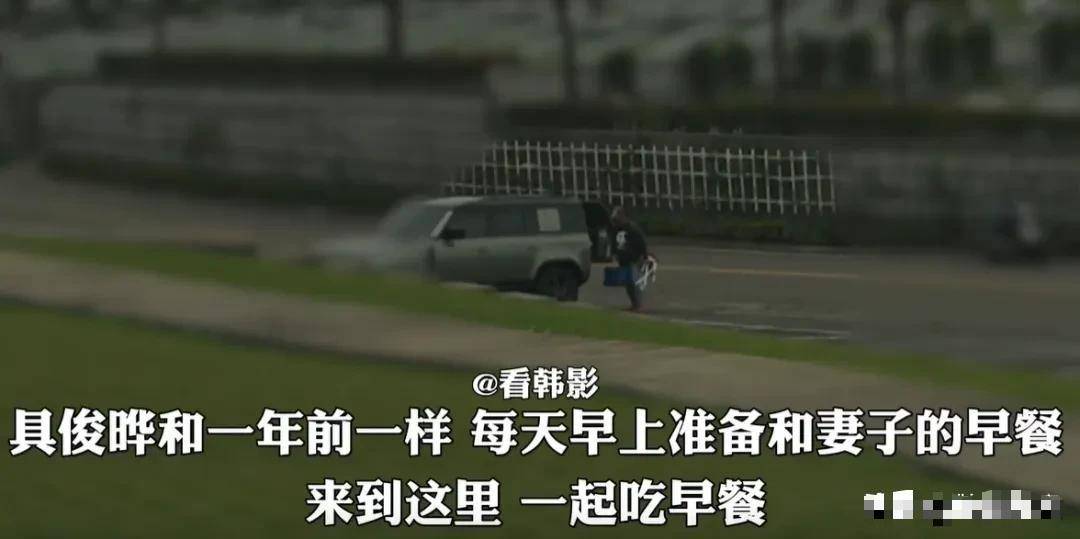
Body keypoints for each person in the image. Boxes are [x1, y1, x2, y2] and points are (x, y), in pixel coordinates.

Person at [610, 206, 649, 311]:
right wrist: (614, 253)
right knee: (628, 284)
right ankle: (634, 304)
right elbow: (614, 243)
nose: (615, 222)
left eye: (617, 219)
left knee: (634, 282)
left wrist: (644, 256)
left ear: (623, 216)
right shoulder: (616, 229)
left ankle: (639, 305)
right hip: (623, 259)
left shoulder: (632, 228)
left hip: (634, 259)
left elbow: (642, 243)